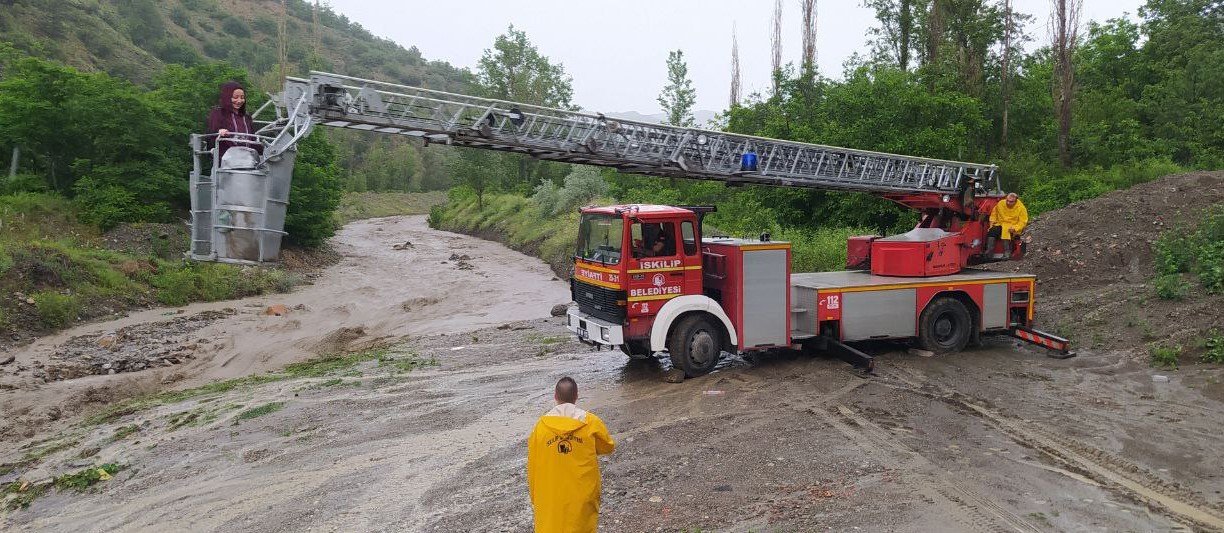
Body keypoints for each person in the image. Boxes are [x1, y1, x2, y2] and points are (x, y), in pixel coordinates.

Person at [527, 377, 616, 533]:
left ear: (555, 396)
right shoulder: (590, 422)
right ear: (576, 396)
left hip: (551, 494)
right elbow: (607, 447)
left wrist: (535, 496)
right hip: (582, 491)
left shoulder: (540, 427)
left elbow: (533, 465)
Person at [206, 81, 262, 161]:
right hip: (227, 160)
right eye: (235, 97)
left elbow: (252, 138)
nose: (239, 101)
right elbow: (212, 133)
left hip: (247, 158)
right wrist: (219, 131)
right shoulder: (218, 113)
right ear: (227, 97)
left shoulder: (246, 117)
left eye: (242, 97)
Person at [986, 192, 1029, 259]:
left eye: (1011, 202)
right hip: (1001, 224)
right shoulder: (1000, 204)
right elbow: (993, 215)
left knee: (1007, 231)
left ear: (1016, 201)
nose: (1008, 203)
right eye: (1007, 200)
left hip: (1013, 226)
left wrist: (1015, 228)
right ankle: (989, 253)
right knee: (992, 231)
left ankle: (1007, 253)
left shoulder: (1021, 208)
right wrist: (991, 225)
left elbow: (1023, 222)